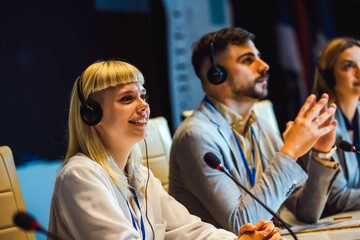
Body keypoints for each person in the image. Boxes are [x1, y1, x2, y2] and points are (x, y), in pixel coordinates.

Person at [48, 60, 282, 240]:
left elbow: (190, 230)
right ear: (92, 115)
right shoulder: (79, 175)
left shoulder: (141, 177)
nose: (144, 106)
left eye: (143, 95)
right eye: (127, 98)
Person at [169, 27, 340, 234]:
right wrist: (290, 152)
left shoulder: (260, 125)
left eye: (259, 57)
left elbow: (305, 212)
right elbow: (242, 224)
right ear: (217, 75)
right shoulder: (196, 136)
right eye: (248, 60)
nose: (264, 66)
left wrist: (321, 153)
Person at [311, 37, 360, 217]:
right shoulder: (320, 124)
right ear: (330, 76)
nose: (359, 72)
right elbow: (335, 198)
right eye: (349, 66)